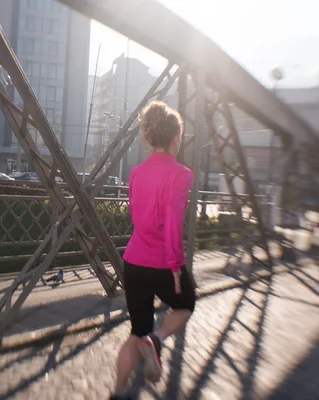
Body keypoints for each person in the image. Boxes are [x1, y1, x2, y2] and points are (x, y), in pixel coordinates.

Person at [110, 101, 196, 400]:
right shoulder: (181, 174)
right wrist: (175, 266)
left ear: (150, 137)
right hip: (162, 262)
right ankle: (157, 340)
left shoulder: (135, 173)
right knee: (186, 304)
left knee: (136, 333)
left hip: (134, 260)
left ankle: (119, 391)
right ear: (176, 139)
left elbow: (137, 215)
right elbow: (172, 221)